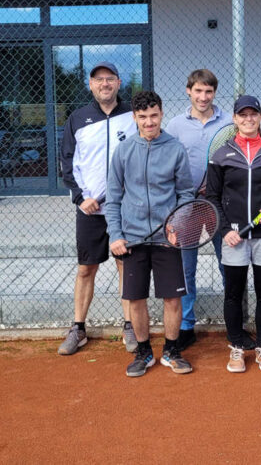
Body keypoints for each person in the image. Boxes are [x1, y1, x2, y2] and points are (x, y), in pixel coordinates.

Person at [105, 90, 195, 378]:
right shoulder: (123, 150)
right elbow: (114, 198)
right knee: (136, 299)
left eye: (153, 116)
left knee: (172, 299)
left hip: (167, 238)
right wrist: (116, 235)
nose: (148, 122)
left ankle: (171, 351)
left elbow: (186, 193)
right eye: (142, 117)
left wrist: (176, 225)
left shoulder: (175, 148)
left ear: (161, 114)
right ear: (134, 117)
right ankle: (144, 353)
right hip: (132, 239)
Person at [166, 69, 255, 351]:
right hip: (187, 206)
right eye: (198, 91)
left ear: (215, 93)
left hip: (220, 206)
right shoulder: (175, 125)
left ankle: (235, 326)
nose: (203, 97)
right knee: (186, 268)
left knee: (229, 264)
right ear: (188, 91)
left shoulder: (230, 123)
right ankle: (186, 326)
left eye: (209, 92)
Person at [59, 61, 138, 355]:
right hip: (90, 210)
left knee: (126, 266)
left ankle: (129, 326)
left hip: (125, 209)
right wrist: (81, 198)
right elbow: (67, 162)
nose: (104, 84)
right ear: (90, 85)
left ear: (118, 83)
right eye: (98, 80)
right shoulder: (77, 119)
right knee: (85, 269)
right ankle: (78, 329)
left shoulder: (133, 115)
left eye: (110, 79)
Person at [206, 95, 261, 373]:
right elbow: (213, 197)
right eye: (243, 114)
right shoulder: (221, 154)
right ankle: (237, 348)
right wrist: (224, 229)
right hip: (234, 236)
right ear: (235, 118)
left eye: (253, 114)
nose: (248, 119)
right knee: (234, 293)